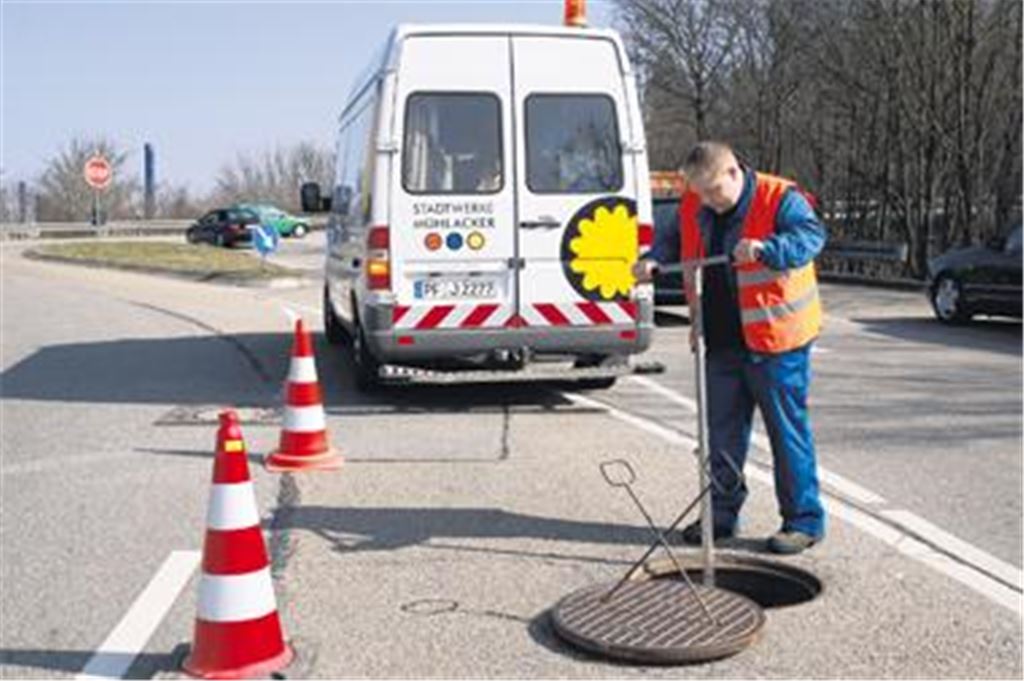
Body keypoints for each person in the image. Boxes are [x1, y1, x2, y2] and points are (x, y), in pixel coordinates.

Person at [634, 141, 827, 554]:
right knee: (721, 436)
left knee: (786, 433)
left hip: (776, 343)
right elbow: (671, 242)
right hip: (720, 340)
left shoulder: (781, 199)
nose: (705, 201)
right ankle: (721, 517)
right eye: (699, 193)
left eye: (713, 192)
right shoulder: (694, 202)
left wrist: (767, 249)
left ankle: (803, 521)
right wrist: (653, 261)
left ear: (734, 173)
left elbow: (811, 238)